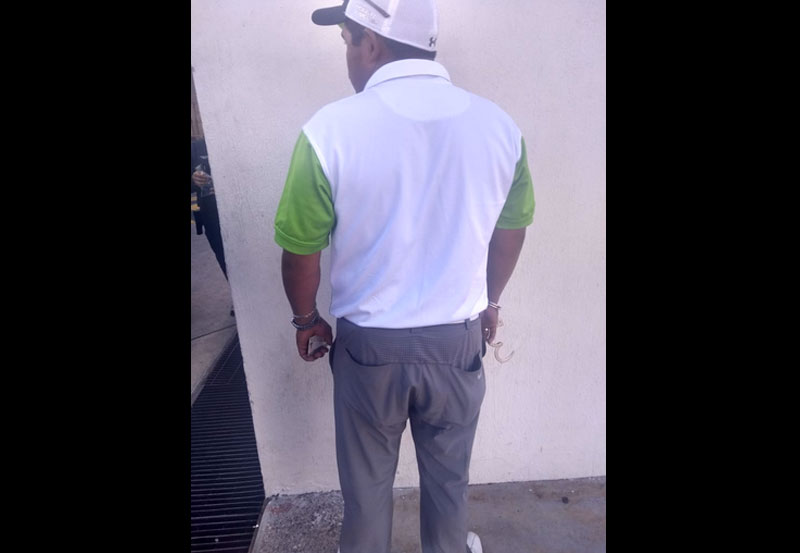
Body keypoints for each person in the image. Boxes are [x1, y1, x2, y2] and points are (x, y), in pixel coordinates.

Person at [274, 1, 535, 552]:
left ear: (370, 43)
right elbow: (510, 231)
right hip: (456, 343)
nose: (349, 56)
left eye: (348, 41)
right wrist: (490, 302)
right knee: (449, 478)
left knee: (366, 489)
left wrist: (306, 319)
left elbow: (300, 251)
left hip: (369, 350)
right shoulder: (500, 128)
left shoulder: (328, 131)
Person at [191, 137, 234, 316]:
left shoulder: (232, 139)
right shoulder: (195, 148)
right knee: (223, 256)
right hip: (210, 214)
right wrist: (193, 179)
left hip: (236, 208)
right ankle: (237, 296)